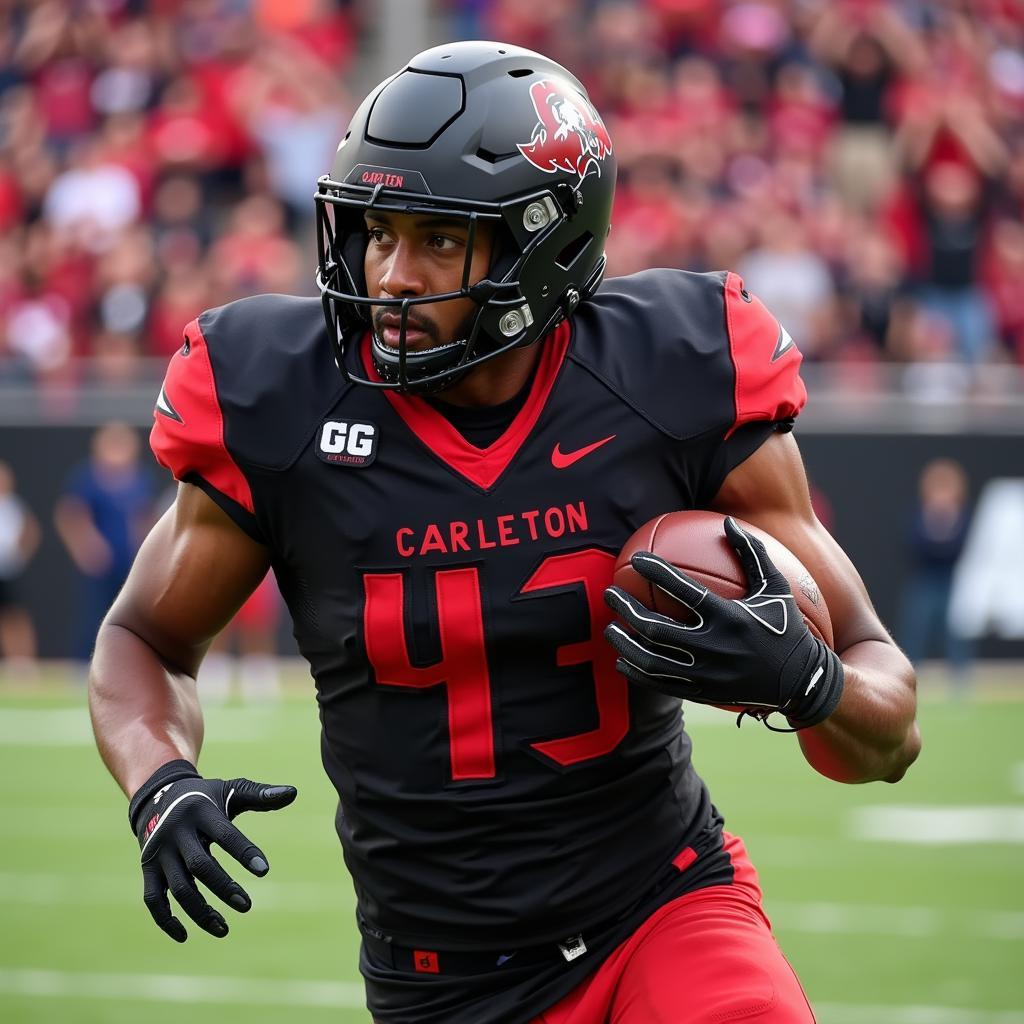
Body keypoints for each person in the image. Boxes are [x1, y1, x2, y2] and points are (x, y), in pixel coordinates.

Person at [88, 42, 921, 1024]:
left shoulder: (670, 370)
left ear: (544, 241)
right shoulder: (285, 396)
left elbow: (889, 728)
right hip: (441, 981)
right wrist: (159, 782)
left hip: (663, 909)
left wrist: (808, 679)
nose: (390, 276)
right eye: (376, 232)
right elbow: (144, 638)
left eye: (438, 240)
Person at [55, 422, 155, 662]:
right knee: (95, 613)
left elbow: (144, 515)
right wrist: (87, 546)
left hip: (130, 559)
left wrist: (146, 549)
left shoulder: (139, 478)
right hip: (101, 562)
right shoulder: (88, 477)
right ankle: (86, 662)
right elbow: (71, 514)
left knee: (130, 612)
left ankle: (127, 661)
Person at [899, 458, 973, 694]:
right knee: (916, 630)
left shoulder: (962, 517)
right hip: (925, 582)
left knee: (957, 635)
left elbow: (964, 547)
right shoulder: (921, 515)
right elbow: (913, 545)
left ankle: (960, 686)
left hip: (954, 583)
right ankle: (909, 682)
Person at [0, 461, 41, 675]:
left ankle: (22, 662)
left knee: (14, 617)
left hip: (7, 571)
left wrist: (20, 556)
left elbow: (30, 531)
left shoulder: (12, 506)